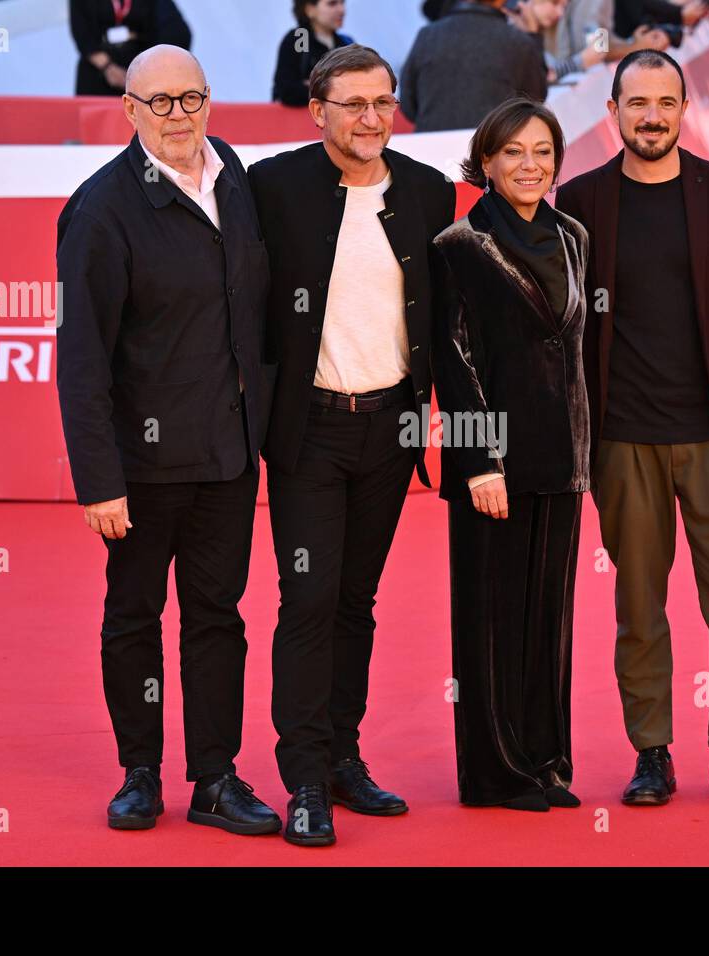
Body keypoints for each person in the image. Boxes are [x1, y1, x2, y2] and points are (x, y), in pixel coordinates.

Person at [55, 45, 282, 836]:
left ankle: (216, 777)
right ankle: (140, 772)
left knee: (219, 618)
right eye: (161, 102)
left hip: (228, 455)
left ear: (210, 102)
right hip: (143, 468)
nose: (179, 114)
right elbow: (80, 358)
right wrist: (98, 480)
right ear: (130, 110)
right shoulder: (100, 210)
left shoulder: (237, 179)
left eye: (191, 98)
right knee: (134, 617)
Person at [556, 50, 709, 809]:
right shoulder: (581, 201)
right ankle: (650, 750)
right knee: (638, 604)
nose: (651, 116)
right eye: (636, 103)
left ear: (684, 108)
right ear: (613, 110)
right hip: (624, 439)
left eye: (665, 102)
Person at [247, 45, 456, 847]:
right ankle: (302, 779)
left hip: (390, 431)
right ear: (319, 112)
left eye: (383, 102)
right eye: (354, 104)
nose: (372, 118)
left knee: (354, 604)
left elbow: (450, 319)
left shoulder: (429, 192)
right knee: (307, 601)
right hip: (309, 432)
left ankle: (342, 755)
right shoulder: (274, 189)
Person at [431, 97, 590, 812]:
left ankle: (546, 759)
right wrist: (479, 462)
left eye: (543, 152)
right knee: (491, 619)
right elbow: (452, 358)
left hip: (563, 457)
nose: (531, 165)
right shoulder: (459, 244)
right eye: (515, 153)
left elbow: (578, 348)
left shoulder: (574, 236)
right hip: (493, 465)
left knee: (550, 617)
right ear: (487, 163)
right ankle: (495, 773)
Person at [399, 0, 547, 133]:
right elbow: (534, 102)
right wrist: (533, 36)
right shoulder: (518, 42)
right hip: (492, 150)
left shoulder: (427, 36)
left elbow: (408, 105)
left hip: (430, 151)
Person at [69, 0, 192, 97]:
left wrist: (147, 70)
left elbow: (178, 33)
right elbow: (81, 33)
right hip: (97, 72)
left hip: (141, 74)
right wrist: (108, 67)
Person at [272, 0, 354, 107]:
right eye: (332, 3)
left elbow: (355, 88)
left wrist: (315, 85)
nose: (341, 10)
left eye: (342, 3)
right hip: (300, 121)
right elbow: (287, 91)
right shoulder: (299, 39)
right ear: (309, 9)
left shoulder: (346, 43)